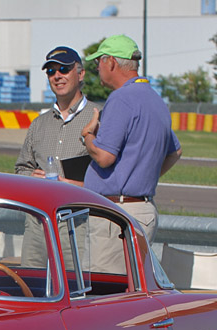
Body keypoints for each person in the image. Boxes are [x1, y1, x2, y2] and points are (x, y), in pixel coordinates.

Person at [80, 34, 182, 244]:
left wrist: (88, 136)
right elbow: (175, 151)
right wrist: (142, 176)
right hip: (143, 210)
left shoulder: (121, 98)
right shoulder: (155, 99)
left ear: (112, 62)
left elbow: (105, 157)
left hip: (117, 212)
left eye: (99, 62)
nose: (97, 68)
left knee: (105, 276)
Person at [15, 46, 100, 186]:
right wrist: (30, 176)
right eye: (51, 71)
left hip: (85, 204)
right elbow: (21, 168)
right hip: (45, 205)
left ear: (81, 74)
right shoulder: (38, 124)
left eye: (64, 69)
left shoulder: (100, 116)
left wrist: (82, 185)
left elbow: (112, 173)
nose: (57, 76)